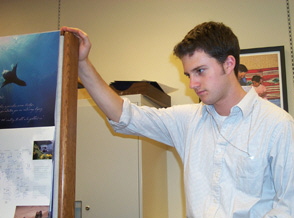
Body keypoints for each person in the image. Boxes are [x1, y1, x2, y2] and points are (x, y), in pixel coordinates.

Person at [61, 21, 294, 218]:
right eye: (188, 74)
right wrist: (82, 64)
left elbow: (289, 207)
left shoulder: (277, 125)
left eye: (200, 71)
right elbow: (125, 115)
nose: (192, 84)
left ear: (229, 63)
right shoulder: (188, 120)